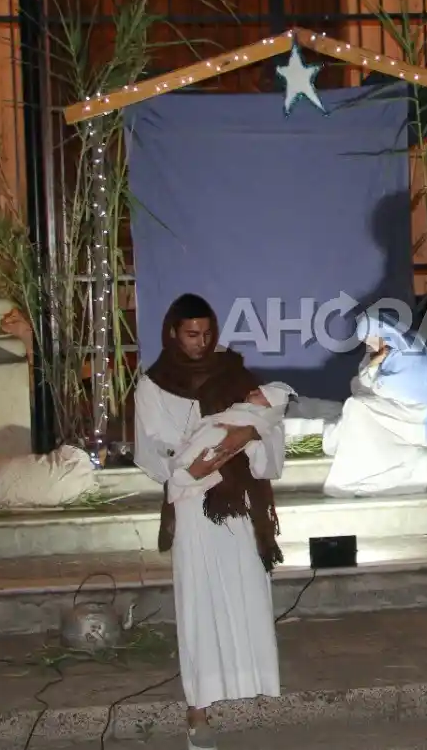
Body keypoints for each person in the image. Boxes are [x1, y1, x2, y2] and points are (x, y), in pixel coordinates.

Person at [133, 293, 280, 750]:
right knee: (199, 602)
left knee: (243, 593)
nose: (201, 343)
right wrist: (196, 461)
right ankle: (197, 708)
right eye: (192, 334)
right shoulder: (153, 385)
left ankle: (242, 681)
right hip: (195, 504)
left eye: (207, 333)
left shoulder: (232, 374)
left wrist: (243, 439)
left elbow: (266, 426)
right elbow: (151, 450)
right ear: (173, 333)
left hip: (237, 505)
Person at [321, 310, 427, 498]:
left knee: (357, 407)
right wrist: (373, 366)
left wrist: (373, 369)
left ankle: (360, 477)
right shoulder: (386, 352)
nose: (367, 344)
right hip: (404, 411)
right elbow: (362, 384)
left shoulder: (410, 352)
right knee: (356, 407)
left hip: (420, 417)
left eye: (368, 338)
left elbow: (385, 388)